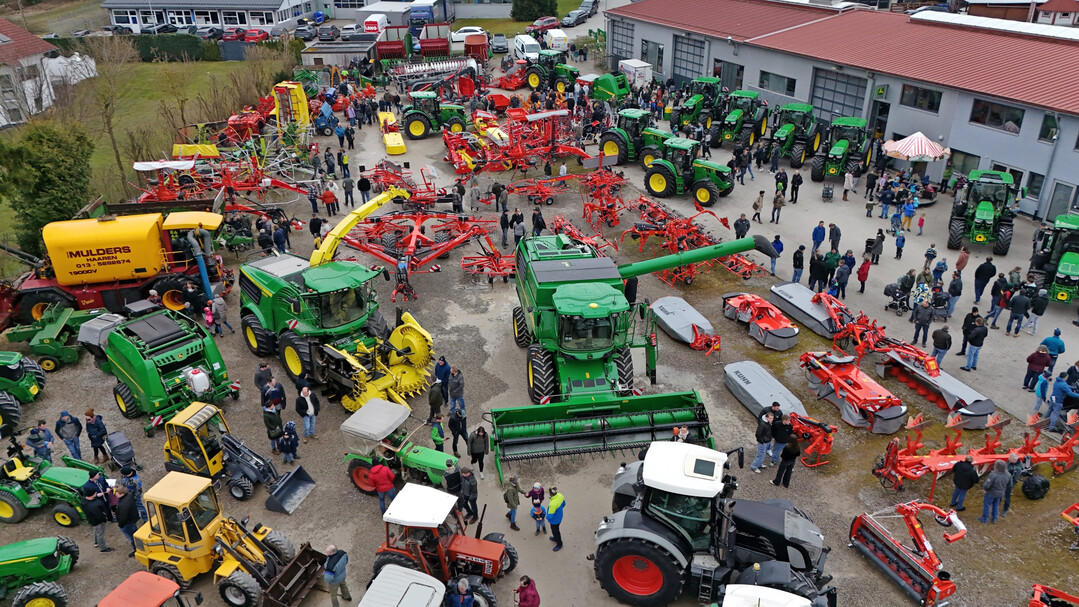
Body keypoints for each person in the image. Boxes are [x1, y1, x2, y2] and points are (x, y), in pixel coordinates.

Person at [83, 486, 113, 552]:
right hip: (99, 521)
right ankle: (103, 548)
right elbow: (100, 515)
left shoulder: (84, 500)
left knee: (95, 530)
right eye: (95, 492)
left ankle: (96, 542)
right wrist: (105, 519)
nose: (96, 493)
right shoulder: (94, 505)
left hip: (92, 520)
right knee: (100, 534)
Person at [980, 460, 1010, 524]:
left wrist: (984, 489)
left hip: (991, 493)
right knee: (996, 505)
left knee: (987, 506)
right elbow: (1010, 484)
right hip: (1000, 493)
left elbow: (987, 484)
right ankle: (994, 519)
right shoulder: (1008, 474)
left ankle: (984, 519)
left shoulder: (993, 474)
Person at [114, 484, 140, 556]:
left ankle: (137, 549)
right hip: (132, 519)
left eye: (116, 493)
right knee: (135, 534)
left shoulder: (123, 504)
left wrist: (120, 524)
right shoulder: (129, 496)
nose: (115, 494)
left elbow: (123, 517)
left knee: (132, 537)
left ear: (121, 494)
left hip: (128, 523)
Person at [1001, 452, 1024, 518]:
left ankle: (1005, 510)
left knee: (1007, 497)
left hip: (1008, 484)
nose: (1008, 459)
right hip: (1003, 481)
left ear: (1014, 460)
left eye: (1010, 459)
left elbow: (1015, 479)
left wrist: (1010, 486)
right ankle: (998, 502)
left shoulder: (1017, 469)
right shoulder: (1010, 462)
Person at [547, 486, 566, 551]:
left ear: (550, 493)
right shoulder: (560, 495)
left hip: (554, 521)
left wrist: (546, 516)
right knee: (556, 530)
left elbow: (550, 516)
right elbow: (564, 504)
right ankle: (555, 538)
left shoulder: (552, 504)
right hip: (560, 516)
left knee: (555, 531)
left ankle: (559, 543)